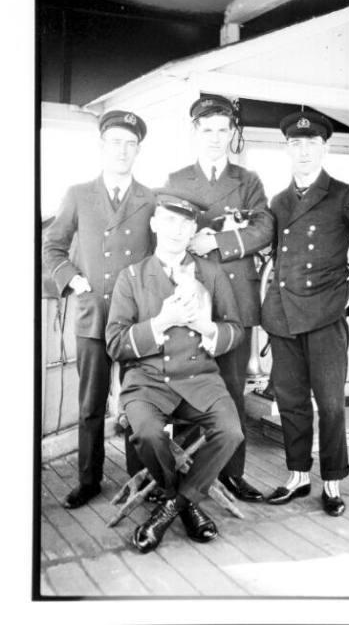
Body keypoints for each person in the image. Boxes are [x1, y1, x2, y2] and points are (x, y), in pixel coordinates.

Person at [261, 110, 349, 516]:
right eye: (295, 144)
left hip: (325, 317)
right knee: (291, 402)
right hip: (282, 318)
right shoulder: (278, 201)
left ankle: (332, 483)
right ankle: (298, 475)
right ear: (287, 149)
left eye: (311, 144)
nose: (303, 151)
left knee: (332, 404)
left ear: (325, 147)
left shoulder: (345, 194)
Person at [106, 192, 245, 553]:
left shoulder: (211, 273)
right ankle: (183, 500)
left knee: (230, 431)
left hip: (200, 378)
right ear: (154, 224)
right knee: (149, 434)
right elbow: (115, 343)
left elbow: (236, 328)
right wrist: (161, 322)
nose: (176, 230)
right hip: (148, 382)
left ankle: (169, 508)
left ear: (193, 229)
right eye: (168, 220)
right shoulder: (131, 277)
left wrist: (208, 328)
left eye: (184, 224)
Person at [42, 110, 156, 509]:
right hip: (93, 317)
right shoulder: (78, 194)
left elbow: (161, 258)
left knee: (138, 403)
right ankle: (88, 480)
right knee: (90, 405)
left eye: (130, 144)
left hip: (135, 323)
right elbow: (52, 246)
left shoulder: (151, 199)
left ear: (138, 149)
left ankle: (139, 480)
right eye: (115, 143)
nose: (122, 150)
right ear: (102, 147)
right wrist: (72, 279)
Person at [165, 94, 274, 503]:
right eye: (207, 130)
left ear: (232, 134)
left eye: (222, 130)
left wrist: (219, 238)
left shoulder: (248, 181)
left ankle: (232, 473)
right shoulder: (177, 179)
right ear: (195, 132)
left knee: (231, 389)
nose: (215, 138)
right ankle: (188, 476)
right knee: (188, 385)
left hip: (236, 300)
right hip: (191, 295)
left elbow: (264, 228)